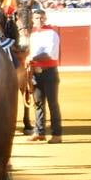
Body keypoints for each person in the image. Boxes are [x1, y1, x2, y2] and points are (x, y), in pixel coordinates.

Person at [26, 9, 62, 143]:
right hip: (36, 72)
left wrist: (31, 58)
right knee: (38, 103)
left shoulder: (52, 33)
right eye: (36, 18)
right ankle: (39, 132)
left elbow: (49, 54)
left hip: (49, 72)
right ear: (32, 20)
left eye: (41, 18)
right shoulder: (33, 34)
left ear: (45, 18)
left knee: (53, 104)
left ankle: (57, 134)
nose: (39, 20)